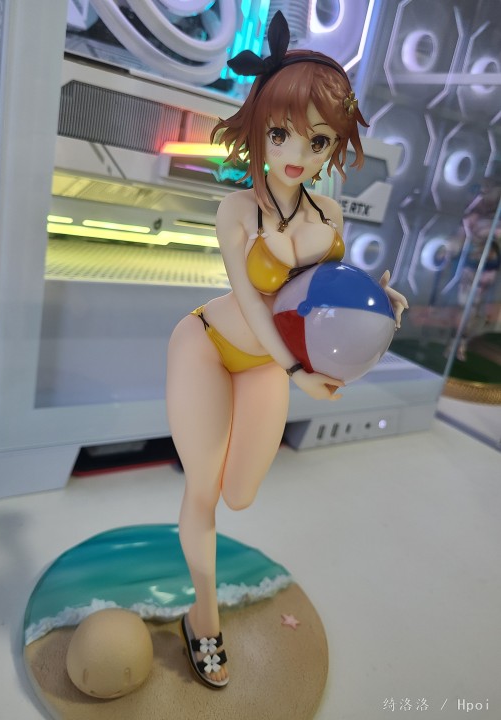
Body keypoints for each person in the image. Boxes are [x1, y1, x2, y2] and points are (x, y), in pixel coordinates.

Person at [166, 11, 408, 689]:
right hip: (208, 346)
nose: (297, 151)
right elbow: (251, 300)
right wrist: (298, 369)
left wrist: (375, 302)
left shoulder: (329, 214)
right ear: (259, 130)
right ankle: (202, 619)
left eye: (317, 138)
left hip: (267, 364)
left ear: (335, 145)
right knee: (204, 489)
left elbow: (320, 295)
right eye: (281, 133)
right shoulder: (238, 212)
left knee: (241, 495)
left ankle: (204, 588)